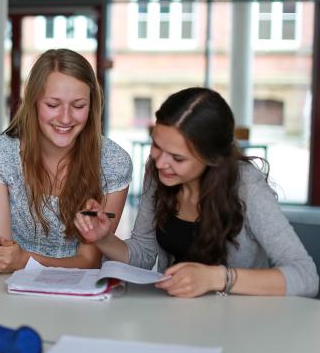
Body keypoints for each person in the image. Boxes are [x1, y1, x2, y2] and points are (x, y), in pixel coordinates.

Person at [74, 87, 319, 298]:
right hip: (178, 314)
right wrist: (103, 238)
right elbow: (144, 254)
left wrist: (216, 278)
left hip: (242, 322)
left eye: (178, 157)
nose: (160, 163)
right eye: (157, 146)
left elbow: (306, 276)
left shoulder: (247, 186)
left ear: (212, 158)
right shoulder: (159, 173)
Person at [0, 48, 131, 273]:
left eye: (79, 106)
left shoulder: (113, 162)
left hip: (80, 295)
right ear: (33, 102)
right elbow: (0, 259)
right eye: (52, 105)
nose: (65, 118)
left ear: (92, 107)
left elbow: (89, 261)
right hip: (10, 292)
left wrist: (24, 261)